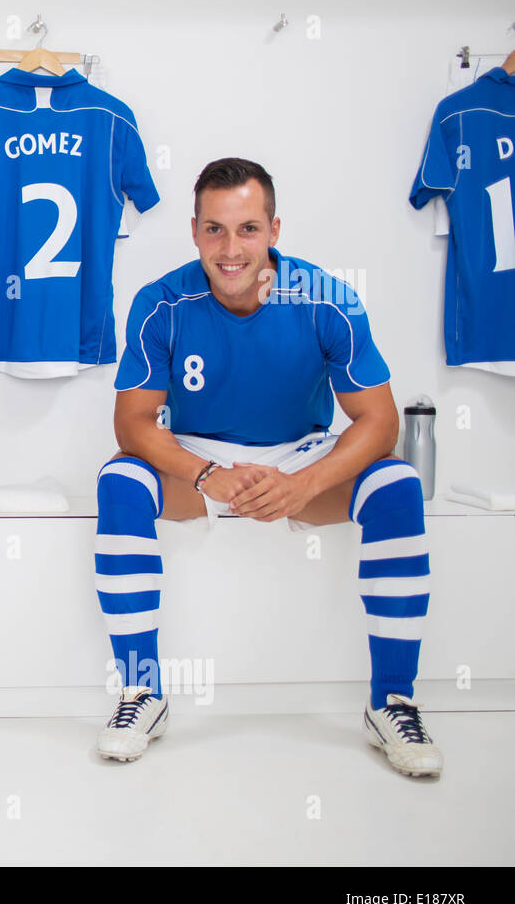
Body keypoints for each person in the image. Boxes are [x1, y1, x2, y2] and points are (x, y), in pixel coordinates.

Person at [92, 157, 441, 778]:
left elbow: (379, 422)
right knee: (120, 478)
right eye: (215, 230)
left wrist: (304, 483)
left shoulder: (326, 298)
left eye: (248, 229)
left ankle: (391, 699)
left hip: (298, 455)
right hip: (197, 456)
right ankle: (140, 692)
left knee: (397, 483)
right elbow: (133, 424)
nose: (232, 249)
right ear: (194, 231)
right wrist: (206, 476)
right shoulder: (162, 302)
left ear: (274, 230)